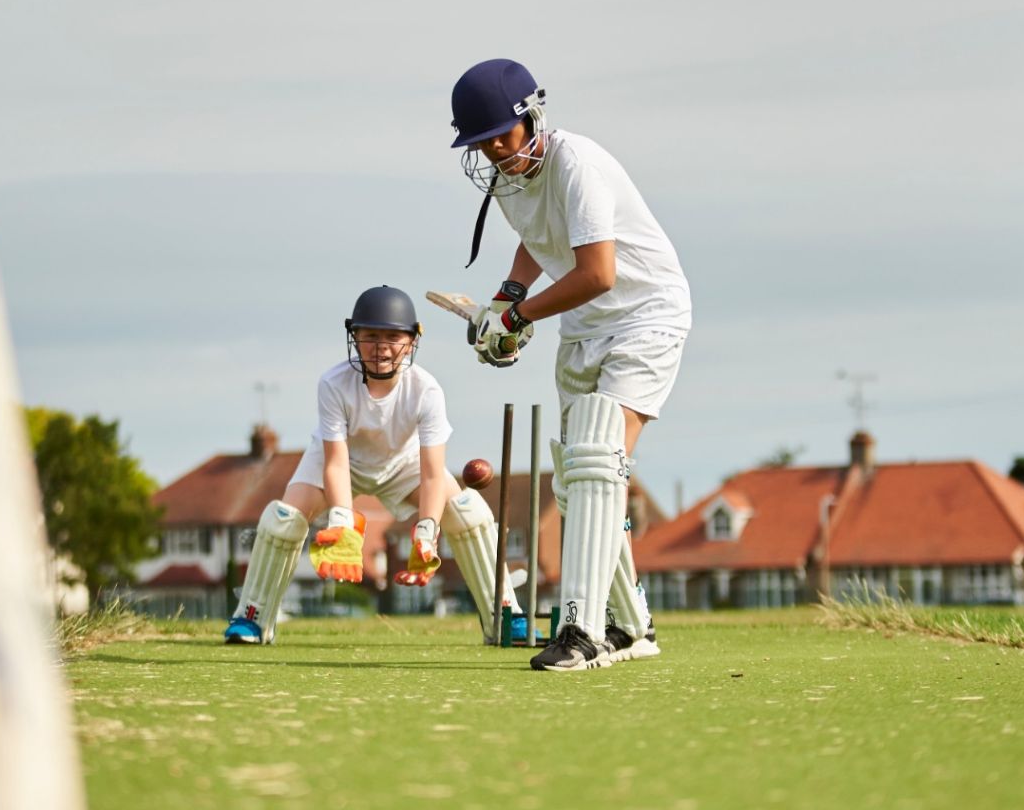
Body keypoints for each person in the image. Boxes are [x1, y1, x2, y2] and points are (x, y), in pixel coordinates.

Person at [448, 58, 692, 671]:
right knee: (576, 478)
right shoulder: (510, 178)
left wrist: (518, 317)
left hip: (645, 314)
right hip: (584, 328)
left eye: (501, 135)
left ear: (531, 117)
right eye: (481, 143)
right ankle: (632, 626)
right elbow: (540, 238)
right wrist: (506, 298)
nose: (495, 151)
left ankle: (581, 631)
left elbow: (597, 273)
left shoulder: (575, 164)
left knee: (597, 462)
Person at [222, 286, 519, 646]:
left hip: (404, 463)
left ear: (411, 341)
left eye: (393, 337)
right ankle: (252, 617)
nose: (381, 347)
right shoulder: (333, 383)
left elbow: (431, 473)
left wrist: (427, 533)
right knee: (283, 520)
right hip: (342, 461)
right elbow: (335, 462)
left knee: (468, 513)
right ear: (355, 337)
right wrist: (342, 522)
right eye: (371, 336)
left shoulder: (426, 390)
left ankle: (506, 616)